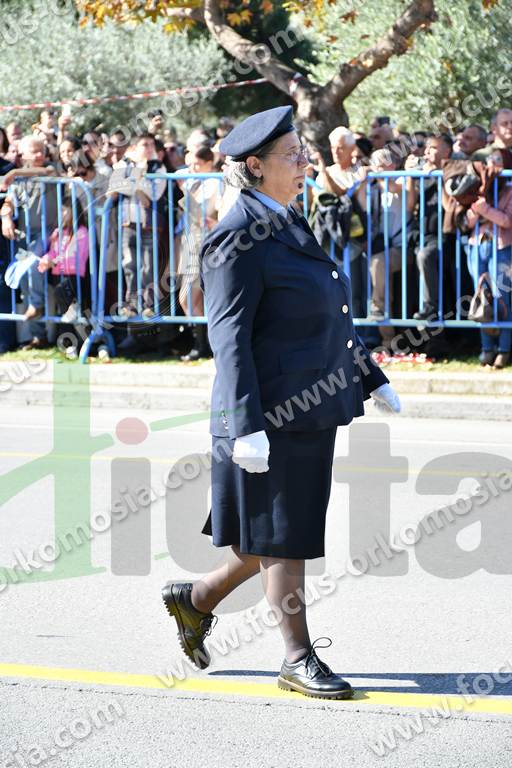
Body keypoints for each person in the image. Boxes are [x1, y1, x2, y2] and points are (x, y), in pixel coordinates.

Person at [160, 106, 401, 700]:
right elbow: (229, 337)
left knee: (275, 531)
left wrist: (367, 374)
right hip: (266, 413)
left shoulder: (286, 218)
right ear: (254, 166)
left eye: (302, 153)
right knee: (283, 535)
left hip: (310, 404)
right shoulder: (236, 235)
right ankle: (297, 657)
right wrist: (245, 425)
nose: (304, 164)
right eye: (292, 156)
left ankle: (195, 600)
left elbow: (323, 312)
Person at [0, 136, 58, 349]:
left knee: (33, 264)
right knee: (25, 278)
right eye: (34, 151)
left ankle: (37, 305)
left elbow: (48, 172)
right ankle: (38, 336)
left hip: (48, 232)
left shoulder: (51, 169)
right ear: (22, 155)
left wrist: (14, 172)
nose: (39, 155)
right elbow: (8, 202)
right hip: (26, 235)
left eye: (42, 150)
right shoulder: (18, 182)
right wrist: (6, 217)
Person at [465, 148, 512, 368]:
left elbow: (507, 221)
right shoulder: (479, 188)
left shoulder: (509, 189)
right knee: (481, 296)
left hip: (502, 247)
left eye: (498, 159)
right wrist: (477, 210)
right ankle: (487, 348)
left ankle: (504, 349)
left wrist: (484, 209)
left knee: (502, 297)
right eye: (490, 159)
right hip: (478, 245)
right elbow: (467, 221)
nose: (493, 163)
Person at [176, 145, 223, 360]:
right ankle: (202, 343)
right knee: (191, 299)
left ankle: (204, 344)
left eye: (197, 164)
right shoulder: (196, 182)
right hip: (191, 242)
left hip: (205, 244)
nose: (193, 168)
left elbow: (204, 215)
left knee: (189, 298)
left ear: (208, 163)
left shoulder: (214, 183)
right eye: (191, 164)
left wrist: (185, 193)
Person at [36, 197, 90, 323]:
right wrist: (46, 260)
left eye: (65, 210)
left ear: (74, 211)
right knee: (66, 312)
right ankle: (77, 329)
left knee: (67, 298)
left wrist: (54, 262)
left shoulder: (81, 231)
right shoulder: (58, 232)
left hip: (73, 275)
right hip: (58, 273)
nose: (62, 213)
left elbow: (73, 254)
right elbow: (53, 251)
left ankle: (88, 330)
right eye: (60, 210)